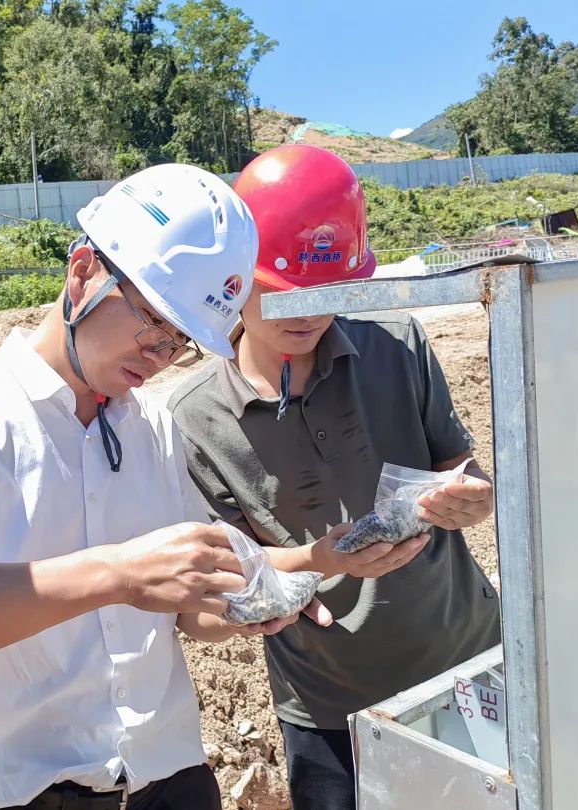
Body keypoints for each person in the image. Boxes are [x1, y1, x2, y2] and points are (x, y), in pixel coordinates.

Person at [0, 163, 332, 810]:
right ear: (84, 270)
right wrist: (118, 573)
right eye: (153, 321)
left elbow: (189, 611)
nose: (160, 356)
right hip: (18, 792)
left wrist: (253, 600)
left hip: (166, 778)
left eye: (180, 341)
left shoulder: (152, 427)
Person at [169, 144, 501, 810]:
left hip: (468, 665)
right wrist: (306, 568)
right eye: (284, 292)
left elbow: (459, 467)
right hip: (328, 708)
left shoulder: (397, 346)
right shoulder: (195, 418)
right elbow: (220, 583)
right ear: (236, 281)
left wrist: (474, 495)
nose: (309, 312)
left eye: (328, 291)